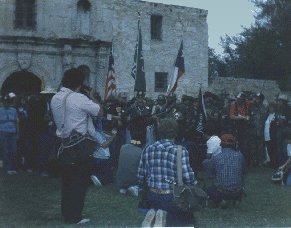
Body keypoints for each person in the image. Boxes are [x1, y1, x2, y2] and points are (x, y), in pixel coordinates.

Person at [50, 68, 100, 224]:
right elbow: (99, 112)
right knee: (79, 182)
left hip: (64, 143)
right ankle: (75, 217)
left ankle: (67, 215)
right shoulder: (78, 97)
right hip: (80, 144)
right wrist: (92, 97)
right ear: (79, 84)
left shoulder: (55, 98)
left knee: (67, 182)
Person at [137, 118, 197, 227]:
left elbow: (141, 177)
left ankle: (156, 217)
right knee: (187, 220)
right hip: (173, 197)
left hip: (152, 196)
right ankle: (166, 219)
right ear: (175, 133)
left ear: (159, 132)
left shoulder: (148, 149)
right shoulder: (180, 150)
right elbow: (189, 178)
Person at [204, 134, 245, 208]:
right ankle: (237, 199)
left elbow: (211, 175)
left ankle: (221, 201)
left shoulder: (216, 158)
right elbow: (243, 172)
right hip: (237, 190)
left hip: (222, 191)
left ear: (221, 144)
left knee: (207, 189)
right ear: (234, 144)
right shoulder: (240, 156)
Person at [116, 132, 144, 197]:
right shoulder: (141, 152)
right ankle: (136, 187)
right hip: (133, 180)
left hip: (120, 180)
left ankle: (123, 188)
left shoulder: (123, 147)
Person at [0, 93, 19, 175]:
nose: (6, 103)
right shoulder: (0, 110)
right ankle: (7, 168)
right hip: (3, 132)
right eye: (5, 102)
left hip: (12, 132)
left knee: (13, 150)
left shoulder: (13, 110)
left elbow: (16, 122)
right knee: (6, 150)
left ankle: (13, 167)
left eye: (8, 102)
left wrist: (18, 132)